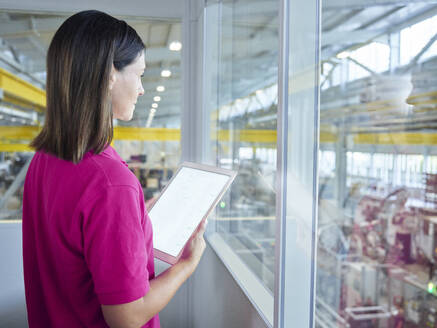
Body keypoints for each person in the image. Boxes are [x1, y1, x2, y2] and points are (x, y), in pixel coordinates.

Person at [22, 10, 206, 328]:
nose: (142, 89)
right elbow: (127, 316)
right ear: (109, 75)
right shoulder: (110, 183)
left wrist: (136, 214)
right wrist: (186, 266)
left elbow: (79, 235)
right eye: (140, 74)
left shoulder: (46, 158)